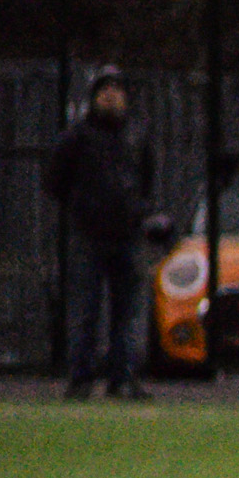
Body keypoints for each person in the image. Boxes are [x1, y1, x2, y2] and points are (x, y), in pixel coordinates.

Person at [45, 69, 155, 399]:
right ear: (94, 97)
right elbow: (54, 181)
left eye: (117, 89)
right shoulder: (76, 137)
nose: (111, 95)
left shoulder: (136, 136)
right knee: (85, 310)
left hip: (128, 235)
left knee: (128, 312)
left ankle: (122, 378)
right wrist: (82, 210)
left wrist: (137, 210)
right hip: (89, 236)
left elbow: (147, 179)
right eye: (104, 89)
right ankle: (81, 379)